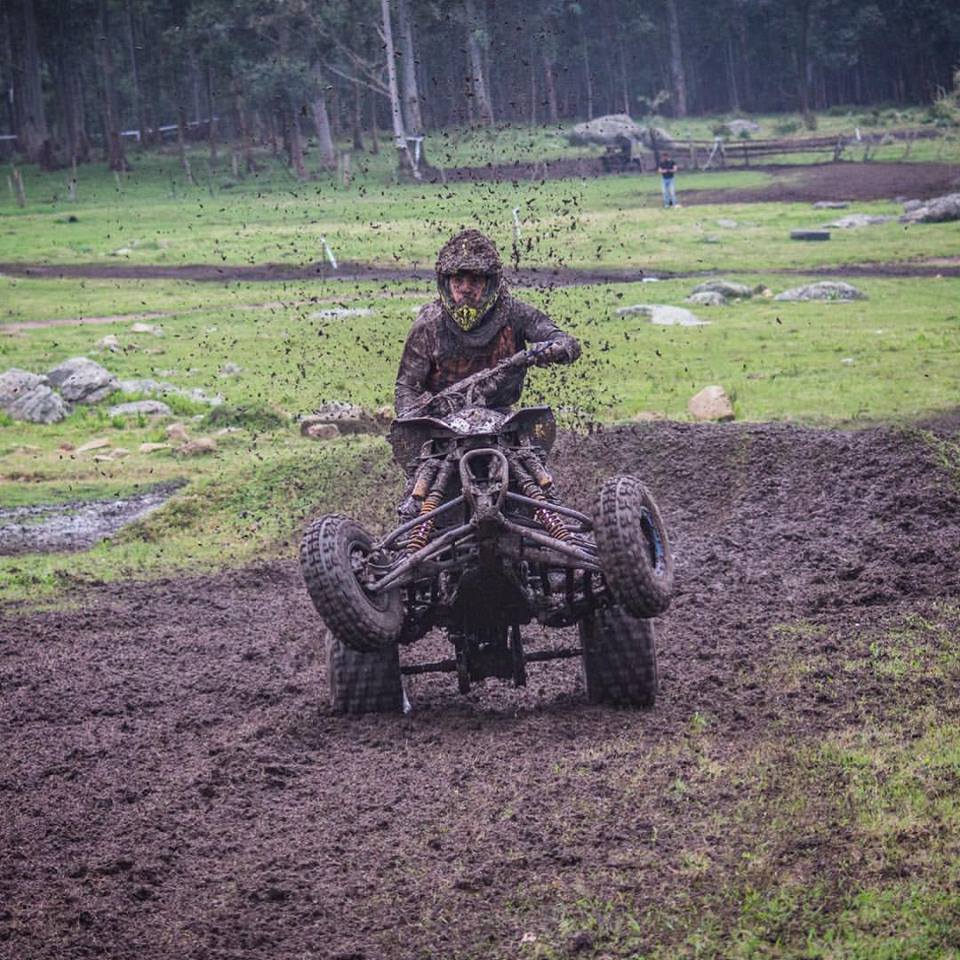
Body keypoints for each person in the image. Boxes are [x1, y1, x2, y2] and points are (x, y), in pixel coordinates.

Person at [394, 229, 580, 418]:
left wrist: (554, 350)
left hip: (501, 418)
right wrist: (411, 423)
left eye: (475, 280)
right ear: (446, 283)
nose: (465, 289)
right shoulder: (429, 325)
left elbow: (566, 342)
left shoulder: (515, 314)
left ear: (490, 283)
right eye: (458, 280)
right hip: (441, 422)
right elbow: (407, 387)